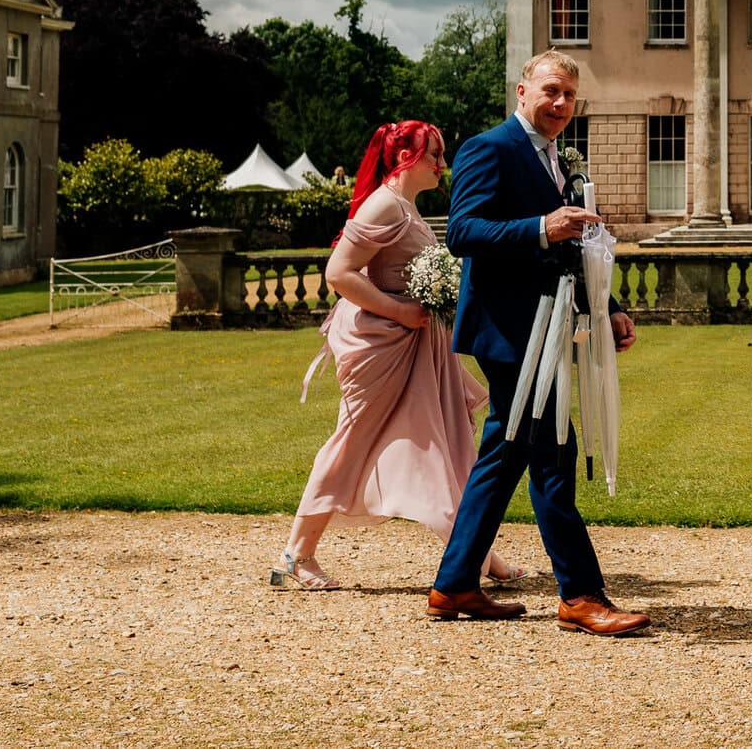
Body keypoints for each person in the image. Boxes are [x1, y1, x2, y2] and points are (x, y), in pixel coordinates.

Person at [425, 50, 646, 636]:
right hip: (509, 329)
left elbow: (576, 248)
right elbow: (463, 232)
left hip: (550, 326)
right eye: (550, 91)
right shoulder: (488, 148)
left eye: (570, 96)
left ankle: (453, 585)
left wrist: (611, 309)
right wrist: (539, 227)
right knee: (552, 454)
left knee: (503, 455)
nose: (560, 105)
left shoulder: (560, 161)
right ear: (521, 91)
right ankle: (579, 594)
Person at [273, 121, 522, 590]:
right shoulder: (385, 205)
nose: (442, 165)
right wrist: (401, 312)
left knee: (444, 441)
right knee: (353, 442)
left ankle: (482, 554)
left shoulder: (405, 206)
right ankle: (296, 553)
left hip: (409, 343)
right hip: (381, 346)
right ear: (404, 157)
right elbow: (338, 273)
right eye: (434, 155)